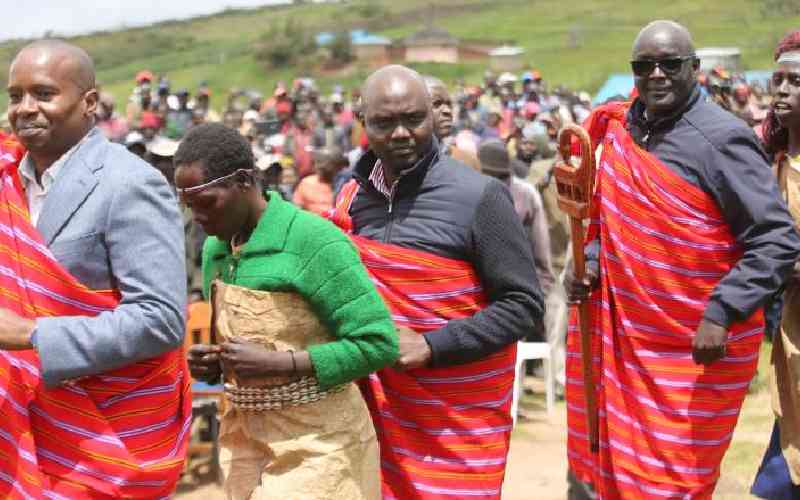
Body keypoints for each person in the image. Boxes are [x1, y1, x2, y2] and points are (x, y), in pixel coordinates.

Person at [564, 21, 800, 499]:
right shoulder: (622, 130)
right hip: (624, 344)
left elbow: (776, 238)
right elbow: (608, 220)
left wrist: (723, 310)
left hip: (693, 351)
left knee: (673, 484)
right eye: (643, 66)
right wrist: (588, 264)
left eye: (670, 64)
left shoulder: (723, 139)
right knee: (618, 478)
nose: (656, 75)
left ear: (694, 69)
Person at [328, 65, 544, 499]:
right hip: (374, 421)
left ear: (433, 115)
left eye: (413, 119)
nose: (401, 134)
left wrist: (432, 346)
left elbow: (524, 305)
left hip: (455, 428)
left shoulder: (479, 197)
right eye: (384, 123)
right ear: (363, 123)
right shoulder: (351, 200)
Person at [0, 40, 189, 497]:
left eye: (43, 94)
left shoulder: (129, 183)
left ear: (88, 103)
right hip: (23, 424)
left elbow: (161, 319)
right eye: (15, 96)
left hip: (104, 441)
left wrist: (32, 335)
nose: (26, 109)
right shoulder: (8, 180)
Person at [178, 123, 397, 500]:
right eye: (189, 205)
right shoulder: (218, 251)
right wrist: (216, 364)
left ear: (245, 180)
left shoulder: (313, 242)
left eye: (207, 202)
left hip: (322, 447)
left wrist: (283, 364)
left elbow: (379, 343)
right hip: (245, 444)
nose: (198, 217)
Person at [751, 30, 800, 500]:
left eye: (796, 80)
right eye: (778, 79)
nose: (782, 89)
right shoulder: (767, 164)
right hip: (791, 343)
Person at [479, 139, 554, 301]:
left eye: (502, 177)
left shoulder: (526, 193)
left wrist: (541, 291)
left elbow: (541, 249)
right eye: (489, 176)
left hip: (518, 288)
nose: (496, 183)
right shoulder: (470, 191)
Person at [423, 75, 482, 171]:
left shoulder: (468, 163)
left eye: (449, 104)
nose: (447, 111)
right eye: (436, 104)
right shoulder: (397, 163)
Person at [293, 146, 347, 215]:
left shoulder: (346, 185)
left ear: (338, 166)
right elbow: (297, 210)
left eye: (327, 163)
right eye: (318, 162)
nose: (321, 166)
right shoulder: (306, 183)